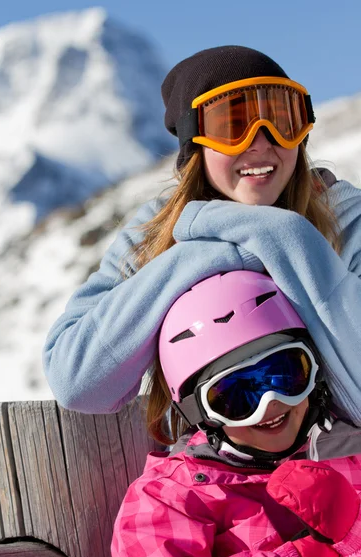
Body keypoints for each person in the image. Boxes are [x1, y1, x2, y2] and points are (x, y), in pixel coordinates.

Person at [42, 45, 361, 424]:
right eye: (232, 125)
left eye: (280, 119)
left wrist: (287, 236)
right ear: (196, 142)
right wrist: (214, 252)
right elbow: (77, 380)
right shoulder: (155, 233)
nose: (261, 142)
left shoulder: (345, 219)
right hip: (208, 478)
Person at [111, 271, 361, 557]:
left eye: (284, 375)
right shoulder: (170, 497)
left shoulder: (350, 455)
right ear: (199, 412)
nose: (270, 403)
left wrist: (353, 531)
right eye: (237, 395)